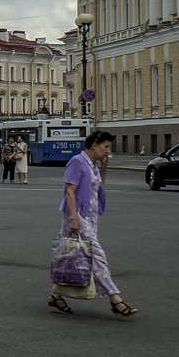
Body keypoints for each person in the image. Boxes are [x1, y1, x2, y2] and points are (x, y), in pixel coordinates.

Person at [47, 130, 138, 317]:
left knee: (74, 255)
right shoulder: (77, 162)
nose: (107, 151)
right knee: (97, 254)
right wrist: (73, 218)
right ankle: (115, 298)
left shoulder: (93, 164)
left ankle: (55, 296)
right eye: (105, 147)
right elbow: (70, 191)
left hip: (91, 216)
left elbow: (97, 187)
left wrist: (104, 168)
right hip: (77, 215)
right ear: (94, 144)